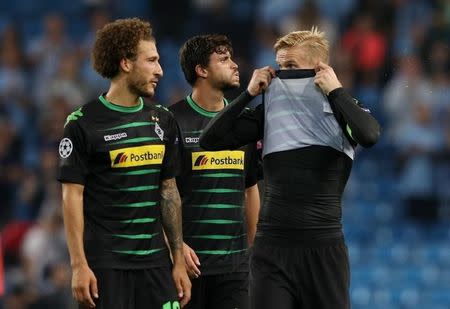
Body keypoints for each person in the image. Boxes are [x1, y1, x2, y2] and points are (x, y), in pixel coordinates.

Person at [200, 28, 381, 309]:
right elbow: (209, 140)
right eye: (280, 66)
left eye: (291, 66)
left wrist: (336, 91)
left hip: (324, 249)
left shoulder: (342, 109)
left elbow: (369, 135)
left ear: (319, 68)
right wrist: (248, 94)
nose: (282, 74)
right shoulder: (269, 111)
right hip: (271, 248)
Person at [57, 18, 191, 309]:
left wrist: (178, 260)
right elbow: (71, 196)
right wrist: (79, 265)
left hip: (156, 265)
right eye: (152, 61)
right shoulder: (83, 124)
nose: (160, 70)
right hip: (106, 267)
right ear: (126, 63)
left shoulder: (163, 119)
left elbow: (169, 190)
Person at [169, 34, 260, 309]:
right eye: (223, 59)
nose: (234, 65)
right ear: (201, 70)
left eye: (232, 58)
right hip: (187, 267)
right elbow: (159, 192)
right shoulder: (171, 120)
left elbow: (250, 188)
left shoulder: (243, 123)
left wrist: (249, 251)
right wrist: (176, 248)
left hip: (234, 270)